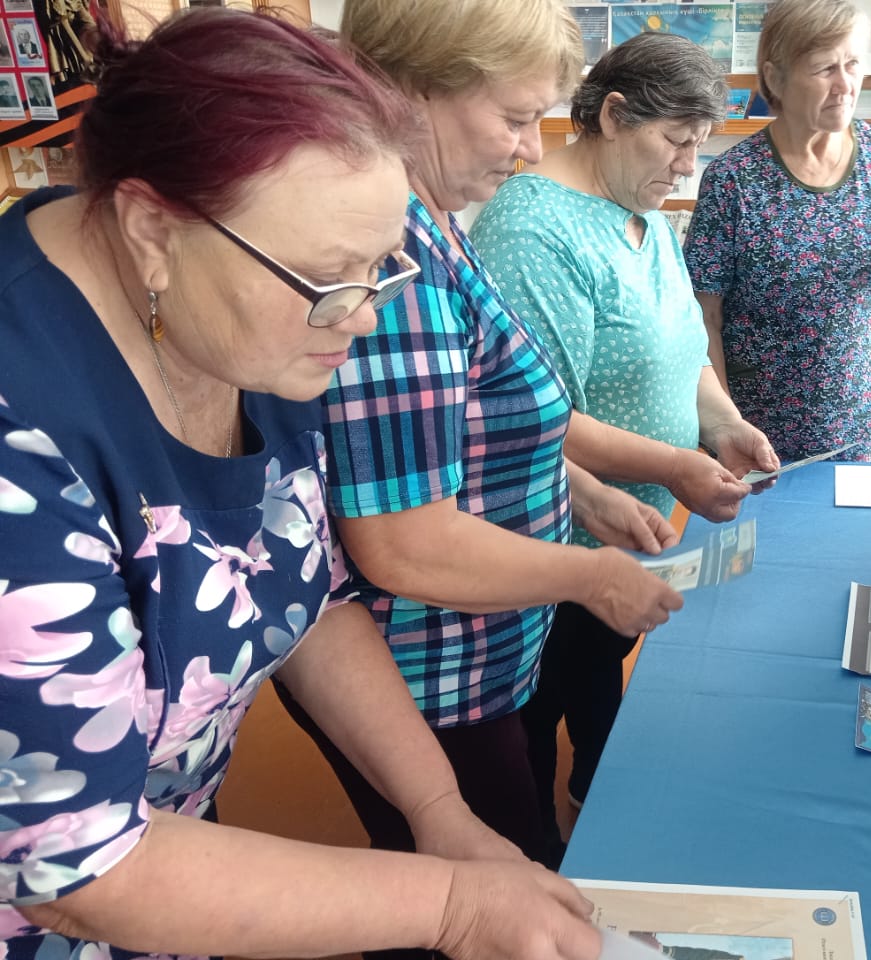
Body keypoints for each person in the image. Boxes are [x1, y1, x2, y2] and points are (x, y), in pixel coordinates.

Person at [0, 10, 601, 960]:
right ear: (154, 230)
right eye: (330, 278)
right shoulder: (24, 436)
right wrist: (453, 905)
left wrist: (438, 808)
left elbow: (310, 595)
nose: (362, 318)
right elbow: (80, 869)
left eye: (381, 268)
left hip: (170, 872)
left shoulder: (244, 328)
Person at [300, 0, 754, 883]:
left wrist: (589, 493)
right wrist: (590, 575)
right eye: (514, 118)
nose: (532, 149)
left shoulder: (435, 220)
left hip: (478, 642)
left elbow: (494, 412)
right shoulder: (395, 258)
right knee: (480, 885)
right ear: (411, 93)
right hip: (428, 668)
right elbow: (402, 541)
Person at [470, 31, 778, 857]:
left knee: (598, 678)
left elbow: (684, 351)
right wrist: (675, 466)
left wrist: (722, 423)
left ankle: (592, 805)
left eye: (699, 145)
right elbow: (534, 418)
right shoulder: (533, 228)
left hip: (631, 534)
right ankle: (539, 855)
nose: (688, 166)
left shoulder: (643, 216)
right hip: (552, 542)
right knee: (534, 715)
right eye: (676, 141)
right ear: (612, 116)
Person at [684, 0, 871, 462]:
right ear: (775, 78)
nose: (845, 85)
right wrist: (727, 426)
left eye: (853, 64)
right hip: (758, 434)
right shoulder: (733, 179)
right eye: (825, 68)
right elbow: (704, 313)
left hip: (864, 420)